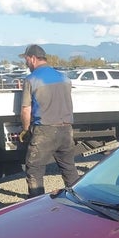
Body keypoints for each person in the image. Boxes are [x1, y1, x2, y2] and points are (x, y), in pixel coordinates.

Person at [19, 44, 78, 198]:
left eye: (26, 60)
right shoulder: (64, 78)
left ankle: (36, 202)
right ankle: (78, 199)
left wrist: (25, 130)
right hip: (66, 130)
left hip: (45, 130)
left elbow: (26, 109)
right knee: (69, 168)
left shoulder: (32, 79)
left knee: (34, 168)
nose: (26, 64)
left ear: (32, 58)